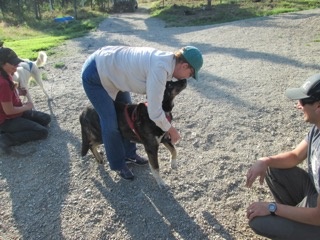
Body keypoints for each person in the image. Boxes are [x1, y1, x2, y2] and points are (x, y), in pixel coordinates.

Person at [81, 45, 203, 180]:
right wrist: (171, 129)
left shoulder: (168, 62)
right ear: (184, 66)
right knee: (110, 123)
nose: (188, 77)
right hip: (95, 74)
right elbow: (154, 111)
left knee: (127, 116)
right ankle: (118, 164)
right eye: (191, 74)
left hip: (114, 71)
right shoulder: (160, 69)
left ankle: (129, 154)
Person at [245, 73, 320, 239]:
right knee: (274, 167)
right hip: (315, 195)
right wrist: (265, 161)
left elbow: (318, 216)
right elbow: (295, 156)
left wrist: (272, 208)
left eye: (303, 101)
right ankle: (294, 222)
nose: (298, 106)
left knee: (259, 221)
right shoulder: (317, 127)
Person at [0, 47, 51, 154]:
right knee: (42, 132)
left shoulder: (7, 73)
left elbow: (6, 96)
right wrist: (27, 107)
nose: (17, 66)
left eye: (17, 63)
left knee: (46, 119)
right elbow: (9, 111)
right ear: (2, 64)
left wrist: (19, 92)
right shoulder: (2, 82)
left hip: (16, 113)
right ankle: (5, 138)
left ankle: (17, 128)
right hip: (6, 120)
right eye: (13, 64)